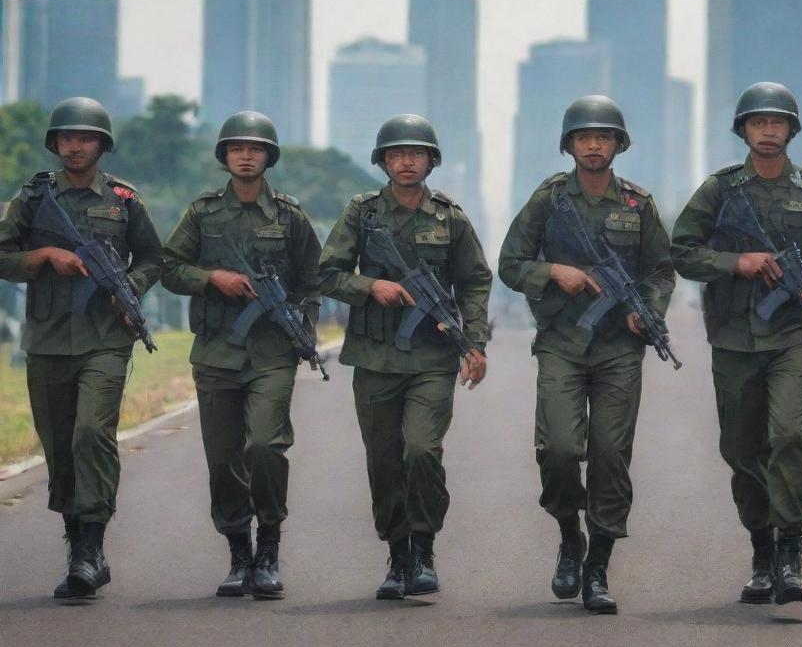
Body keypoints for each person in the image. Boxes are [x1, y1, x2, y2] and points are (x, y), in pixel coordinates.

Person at [671, 82, 802, 605]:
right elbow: (681, 250)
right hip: (733, 335)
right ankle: (762, 549)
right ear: (744, 131)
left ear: (791, 131)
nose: (769, 132)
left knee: (790, 435)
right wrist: (736, 263)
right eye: (758, 123)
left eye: (778, 123)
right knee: (741, 448)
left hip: (794, 332)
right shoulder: (720, 190)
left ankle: (791, 550)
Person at [499, 95, 674, 614]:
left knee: (610, 457)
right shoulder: (549, 200)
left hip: (620, 347)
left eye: (603, 136)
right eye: (584, 137)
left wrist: (650, 311)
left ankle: (597, 565)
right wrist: (554, 272)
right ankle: (567, 534)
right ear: (569, 145)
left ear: (619, 144)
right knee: (557, 449)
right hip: (562, 342)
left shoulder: (638, 204)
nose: (594, 145)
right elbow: (510, 263)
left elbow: (661, 270)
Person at [318, 114, 490, 600]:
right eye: (397, 154)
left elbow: (475, 280)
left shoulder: (450, 217)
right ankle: (397, 554)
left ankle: (424, 546)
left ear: (431, 161)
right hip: (374, 358)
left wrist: (474, 343)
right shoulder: (363, 213)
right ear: (383, 161)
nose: (406, 161)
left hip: (432, 359)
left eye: (416, 153)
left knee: (421, 450)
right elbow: (327, 273)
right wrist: (373, 286)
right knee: (384, 460)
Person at [0, 97, 163, 599]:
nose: (75, 145)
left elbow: (154, 257)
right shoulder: (32, 199)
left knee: (91, 432)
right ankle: (77, 546)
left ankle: (92, 549)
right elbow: (3, 256)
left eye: (85, 138)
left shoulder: (124, 200)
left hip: (105, 340)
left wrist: (127, 288)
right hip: (48, 340)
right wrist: (46, 255)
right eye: (67, 138)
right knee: (60, 445)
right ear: (55, 144)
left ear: (101, 144)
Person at [162, 111, 321, 600]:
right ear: (225, 156)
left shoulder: (290, 216)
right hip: (214, 351)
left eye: (255, 148)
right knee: (224, 459)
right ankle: (238, 554)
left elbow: (314, 280)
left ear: (268, 156)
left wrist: (302, 332)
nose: (246, 155)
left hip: (272, 351)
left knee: (265, 447)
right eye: (237, 148)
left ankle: (268, 548)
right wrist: (212, 278)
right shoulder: (202, 213)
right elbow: (168, 266)